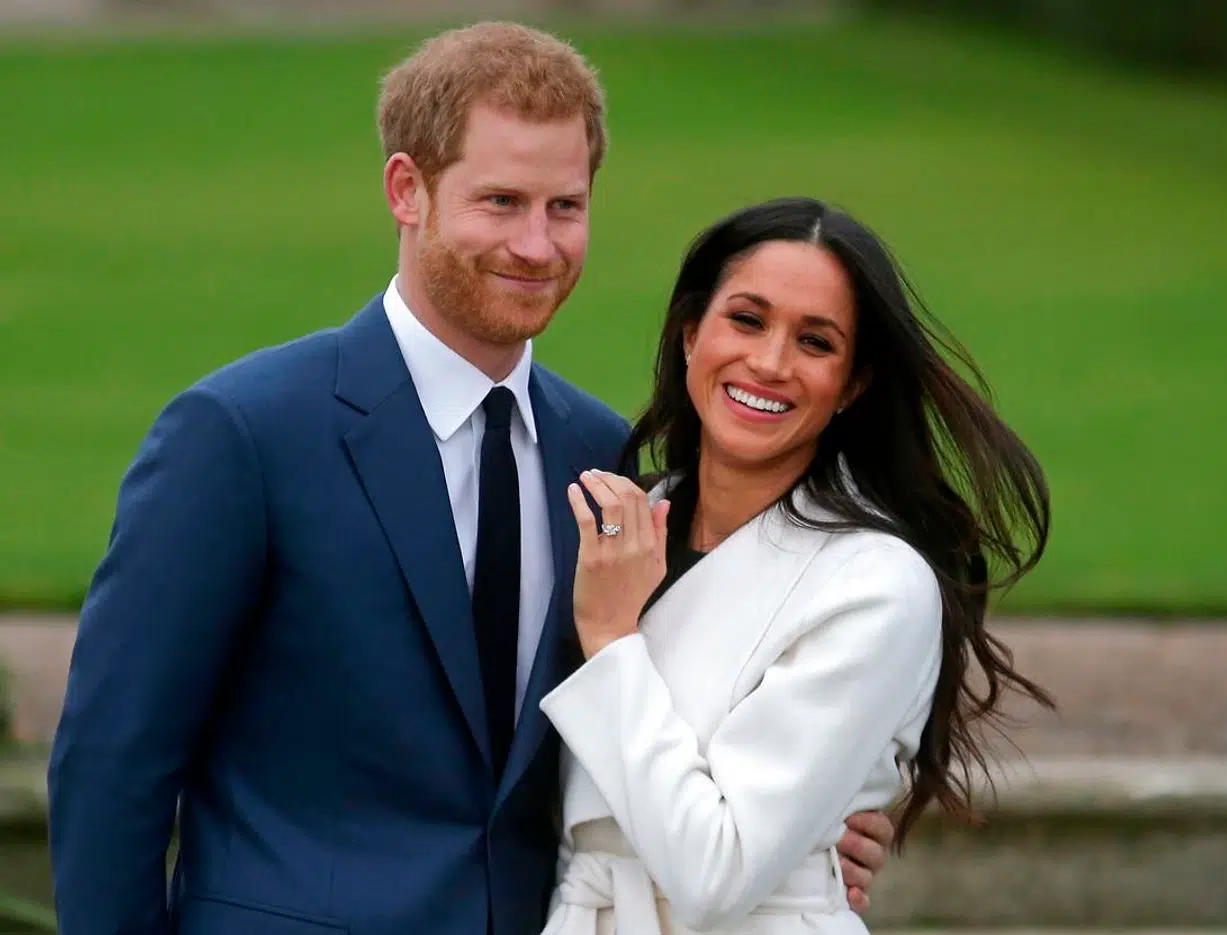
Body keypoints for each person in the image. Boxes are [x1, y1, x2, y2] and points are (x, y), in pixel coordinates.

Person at [45, 23, 893, 935]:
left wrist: (813, 826)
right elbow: (112, 765)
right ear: (407, 190)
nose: (537, 244)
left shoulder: (602, 453)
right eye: (501, 201)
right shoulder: (242, 435)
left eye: (564, 206)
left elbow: (657, 714)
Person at [534, 196, 1054, 934]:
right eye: (746, 319)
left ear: (853, 384)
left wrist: (614, 641)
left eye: (815, 342)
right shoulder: (618, 531)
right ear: (691, 333)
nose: (770, 362)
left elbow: (716, 873)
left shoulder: (875, 584)